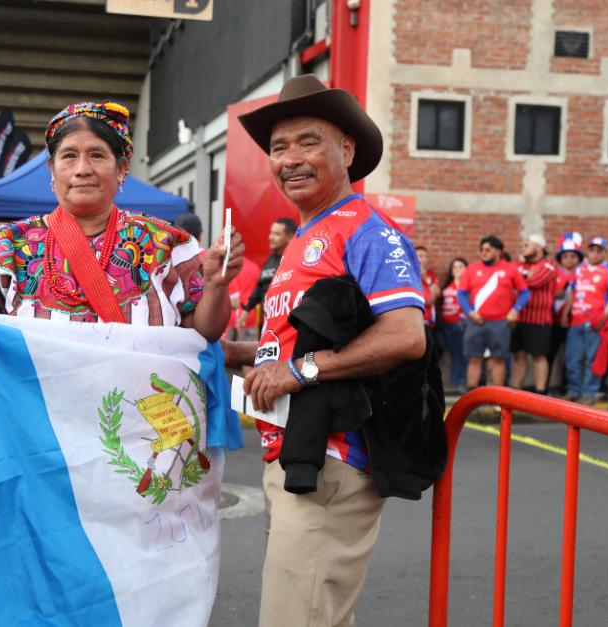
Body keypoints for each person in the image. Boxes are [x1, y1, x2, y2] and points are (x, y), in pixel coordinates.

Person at [223, 75, 427, 627]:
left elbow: (406, 335)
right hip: (292, 452)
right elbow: (301, 341)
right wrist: (242, 352)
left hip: (333, 457)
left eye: (308, 142)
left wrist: (300, 370)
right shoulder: (305, 235)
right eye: (278, 147)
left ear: (347, 150)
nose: (290, 159)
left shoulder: (366, 229)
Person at [0, 99, 242, 340]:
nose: (82, 169)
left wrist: (215, 285)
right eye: (69, 156)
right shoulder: (9, 246)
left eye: (97, 155)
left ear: (122, 169)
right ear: (52, 170)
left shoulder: (167, 244)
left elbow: (205, 332)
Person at [458, 235, 529, 388]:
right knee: (474, 359)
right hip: (476, 321)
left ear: (498, 251)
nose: (484, 252)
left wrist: (515, 310)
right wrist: (470, 312)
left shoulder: (510, 269)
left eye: (488, 250)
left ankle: (498, 398)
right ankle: (471, 395)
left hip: (500, 323)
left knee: (498, 359)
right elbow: (461, 294)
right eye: (482, 250)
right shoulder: (472, 268)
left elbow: (524, 292)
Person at [562, 236, 608, 403]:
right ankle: (573, 390)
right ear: (587, 252)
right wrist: (565, 314)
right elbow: (572, 293)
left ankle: (589, 393)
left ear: (605, 252)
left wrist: (603, 317)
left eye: (599, 250)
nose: (595, 254)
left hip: (596, 323)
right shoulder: (579, 271)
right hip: (576, 320)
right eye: (592, 250)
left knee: (593, 359)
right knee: (572, 358)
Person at [510, 234, 557, 394]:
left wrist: (521, 278)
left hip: (539, 320)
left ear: (538, 247)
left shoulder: (549, 265)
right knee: (519, 356)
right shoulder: (518, 265)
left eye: (527, 245)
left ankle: (541, 392)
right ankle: (515, 392)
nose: (523, 248)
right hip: (519, 318)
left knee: (538, 356)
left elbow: (533, 282)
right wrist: (524, 276)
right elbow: (511, 281)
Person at [237, 217, 297, 331]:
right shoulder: (271, 259)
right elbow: (261, 286)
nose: (270, 237)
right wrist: (246, 310)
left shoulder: (295, 259)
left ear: (290, 237)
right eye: (271, 233)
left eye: (276, 234)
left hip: (287, 324)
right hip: (268, 322)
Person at [548, 232, 583, 393]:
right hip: (554, 320)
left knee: (570, 355)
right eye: (565, 256)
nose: (569, 260)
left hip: (574, 320)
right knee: (551, 353)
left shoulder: (581, 274)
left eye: (573, 256)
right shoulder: (555, 273)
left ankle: (565, 385)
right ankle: (546, 385)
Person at [437, 257, 468, 391]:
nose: (457, 269)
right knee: (454, 354)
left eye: (460, 267)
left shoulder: (467, 286)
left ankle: (463, 382)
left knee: (463, 353)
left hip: (462, 324)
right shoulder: (448, 285)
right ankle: (455, 382)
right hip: (447, 325)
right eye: (455, 267)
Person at [416, 245, 440, 328]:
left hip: (429, 318)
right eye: (420, 256)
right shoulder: (411, 274)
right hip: (417, 317)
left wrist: (425, 278)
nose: (424, 259)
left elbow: (436, 293)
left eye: (426, 256)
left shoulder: (431, 274)